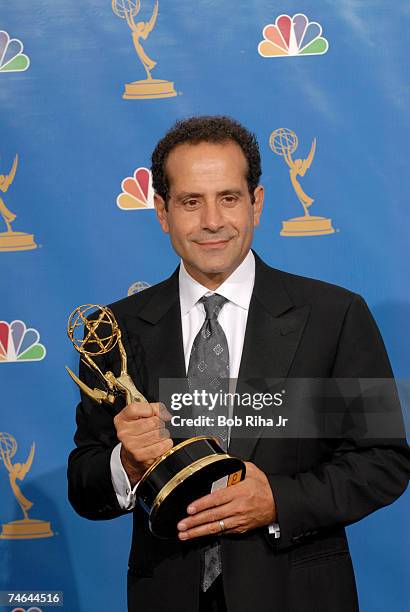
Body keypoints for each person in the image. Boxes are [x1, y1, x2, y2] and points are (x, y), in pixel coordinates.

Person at [67, 116, 409, 612]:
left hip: (298, 595)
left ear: (257, 203)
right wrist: (125, 464)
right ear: (162, 211)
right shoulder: (113, 333)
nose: (212, 221)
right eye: (190, 202)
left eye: (228, 198)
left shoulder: (335, 316)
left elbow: (383, 462)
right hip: (166, 595)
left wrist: (279, 502)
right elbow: (85, 485)